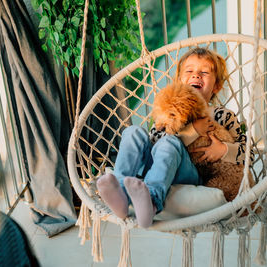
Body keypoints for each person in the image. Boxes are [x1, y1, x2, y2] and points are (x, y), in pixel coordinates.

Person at [97, 47, 251, 228]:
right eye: (190, 71)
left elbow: (248, 153)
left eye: (204, 72)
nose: (196, 76)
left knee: (170, 142)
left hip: (190, 173)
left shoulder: (224, 116)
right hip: (158, 166)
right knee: (133, 132)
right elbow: (155, 140)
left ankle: (152, 201)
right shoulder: (168, 108)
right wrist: (193, 131)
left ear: (216, 86)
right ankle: (120, 189)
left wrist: (224, 150)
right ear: (179, 81)